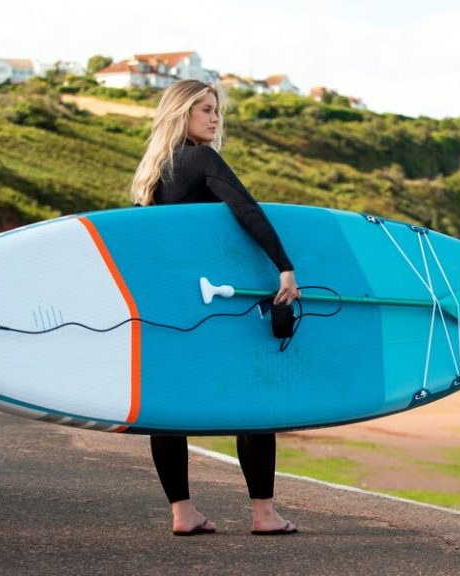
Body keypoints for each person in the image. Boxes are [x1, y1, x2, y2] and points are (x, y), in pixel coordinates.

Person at [130, 79, 298, 537]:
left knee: (169, 409)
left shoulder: (152, 173)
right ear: (181, 112)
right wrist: (284, 266)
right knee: (254, 404)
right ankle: (263, 514)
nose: (215, 117)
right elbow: (246, 210)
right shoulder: (200, 159)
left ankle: (183, 514)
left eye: (216, 109)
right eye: (205, 108)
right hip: (211, 308)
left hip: (167, 306)